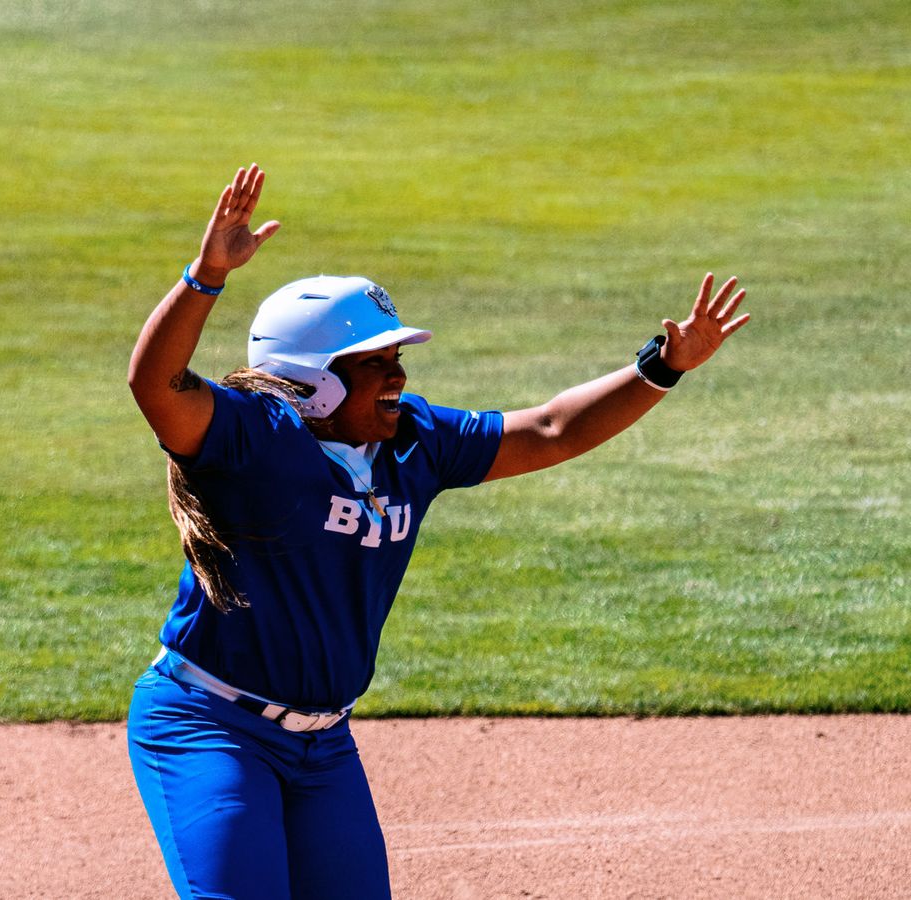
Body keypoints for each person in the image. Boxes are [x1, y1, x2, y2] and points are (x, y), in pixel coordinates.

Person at [126, 163, 749, 900]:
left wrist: (662, 367)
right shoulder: (251, 437)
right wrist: (204, 277)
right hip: (211, 728)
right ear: (315, 380)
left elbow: (548, 431)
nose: (398, 376)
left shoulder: (415, 440)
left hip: (323, 744)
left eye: (397, 358)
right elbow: (154, 384)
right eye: (376, 363)